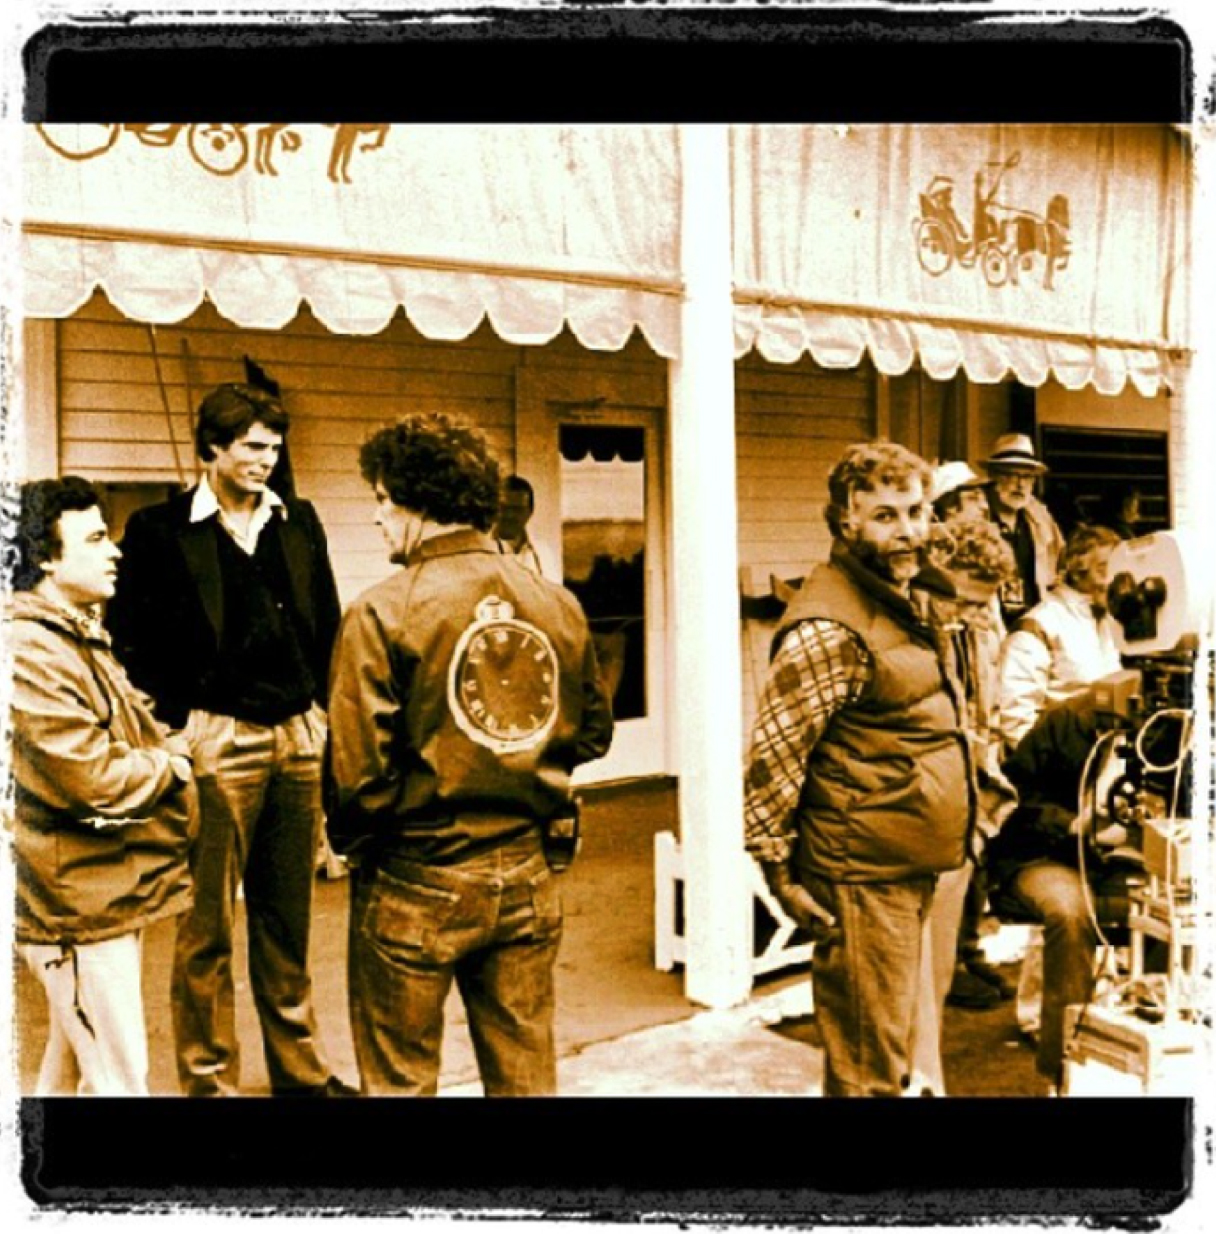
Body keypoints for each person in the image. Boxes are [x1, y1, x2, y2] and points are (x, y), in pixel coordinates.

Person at [325, 412, 614, 1096]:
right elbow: (593, 734)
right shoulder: (557, 603)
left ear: (417, 504)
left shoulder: (380, 612)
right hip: (528, 871)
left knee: (400, 1084)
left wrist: (370, 845)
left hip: (416, 874)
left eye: (382, 500)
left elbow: (358, 779)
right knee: (525, 1079)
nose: (377, 518)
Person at [106, 382, 352, 1097]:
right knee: (206, 927)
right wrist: (176, 724)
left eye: (274, 448)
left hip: (298, 737)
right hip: (215, 739)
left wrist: (323, 719)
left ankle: (300, 1076)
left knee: (287, 921)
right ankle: (210, 1085)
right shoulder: (159, 531)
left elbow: (327, 626)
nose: (266, 460)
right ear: (211, 447)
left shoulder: (299, 522)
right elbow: (127, 640)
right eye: (251, 447)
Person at [743, 439, 975, 1097]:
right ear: (845, 522)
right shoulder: (832, 626)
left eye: (915, 512)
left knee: (886, 1053)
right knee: (868, 1068)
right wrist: (776, 868)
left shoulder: (908, 597)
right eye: (884, 516)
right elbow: (773, 757)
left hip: (901, 856)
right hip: (861, 872)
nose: (907, 531)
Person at [9, 477, 195, 1095]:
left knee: (70, 1075)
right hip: (75, 903)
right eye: (94, 539)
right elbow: (90, 778)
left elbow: (126, 731)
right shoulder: (29, 651)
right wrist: (170, 766)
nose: (114, 552)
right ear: (46, 559)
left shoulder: (72, 637)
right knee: (118, 1081)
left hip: (96, 891)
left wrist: (154, 750)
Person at [985, 690, 1145, 1093]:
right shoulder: (1066, 723)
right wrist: (1071, 825)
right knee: (1071, 912)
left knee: (1166, 913)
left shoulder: (1168, 734)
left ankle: (1147, 1044)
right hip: (1041, 854)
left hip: (1116, 858)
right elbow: (1010, 801)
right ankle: (1063, 1066)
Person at [995, 523, 1124, 754]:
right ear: (1076, 572)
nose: (1112, 580)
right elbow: (1016, 720)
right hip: (1060, 762)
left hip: (1106, 756)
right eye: (1103, 569)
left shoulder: (1109, 620)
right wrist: (1053, 762)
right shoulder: (1039, 625)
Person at [981, 433, 1065, 630]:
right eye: (1011, 474)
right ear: (993, 475)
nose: (1020, 484)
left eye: (1027, 476)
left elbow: (1060, 569)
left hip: (1031, 627)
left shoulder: (1040, 522)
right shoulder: (975, 517)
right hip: (987, 627)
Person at [494, 473, 546, 576]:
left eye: (517, 509)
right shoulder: (482, 551)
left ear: (530, 512)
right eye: (504, 508)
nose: (509, 515)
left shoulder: (543, 553)